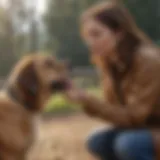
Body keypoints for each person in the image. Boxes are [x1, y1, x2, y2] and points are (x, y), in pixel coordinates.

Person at [65, 1, 160, 160]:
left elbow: (133, 117)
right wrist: (83, 100)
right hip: (145, 128)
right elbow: (116, 113)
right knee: (97, 141)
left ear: (119, 33)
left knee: (128, 144)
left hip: (151, 127)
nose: (90, 42)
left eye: (96, 34)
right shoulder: (108, 62)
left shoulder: (148, 60)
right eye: (87, 37)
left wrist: (88, 100)